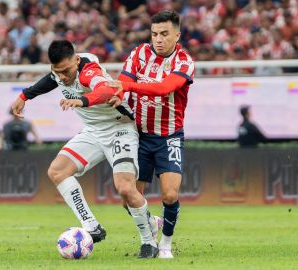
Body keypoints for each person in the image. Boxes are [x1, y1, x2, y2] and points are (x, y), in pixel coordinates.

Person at [12, 40, 160, 258]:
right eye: (57, 71)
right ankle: (91, 226)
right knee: (57, 171)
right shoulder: (60, 71)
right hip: (93, 131)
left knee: (126, 190)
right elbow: (49, 81)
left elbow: (105, 90)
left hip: (119, 128)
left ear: (77, 60)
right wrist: (24, 96)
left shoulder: (88, 70)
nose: (61, 76)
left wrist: (82, 100)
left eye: (65, 71)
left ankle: (149, 242)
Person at [107, 10, 196, 259]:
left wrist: (127, 86)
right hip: (137, 136)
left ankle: (165, 244)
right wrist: (117, 94)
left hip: (169, 137)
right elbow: (123, 81)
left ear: (177, 35)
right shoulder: (138, 54)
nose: (158, 39)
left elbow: (163, 88)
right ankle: (151, 224)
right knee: (128, 199)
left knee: (169, 193)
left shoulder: (184, 62)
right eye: (155, 33)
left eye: (165, 34)